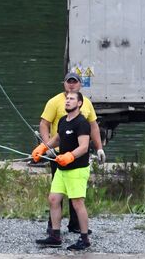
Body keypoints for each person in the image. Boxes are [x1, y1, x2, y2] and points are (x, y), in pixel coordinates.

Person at [38, 72, 105, 233]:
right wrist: (45, 147)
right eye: (69, 82)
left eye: (74, 82)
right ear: (64, 84)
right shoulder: (55, 103)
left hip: (77, 160)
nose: (71, 85)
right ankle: (54, 230)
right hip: (58, 156)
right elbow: (46, 125)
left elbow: (93, 128)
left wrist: (99, 148)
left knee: (76, 199)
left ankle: (78, 229)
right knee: (55, 196)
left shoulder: (85, 111)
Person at [33, 91, 92, 251]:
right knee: (53, 199)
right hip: (62, 169)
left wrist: (70, 156)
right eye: (67, 98)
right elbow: (58, 138)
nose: (68, 101)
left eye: (72, 99)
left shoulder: (82, 123)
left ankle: (84, 238)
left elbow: (84, 146)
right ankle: (55, 236)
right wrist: (43, 147)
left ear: (79, 103)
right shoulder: (62, 120)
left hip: (77, 169)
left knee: (77, 203)